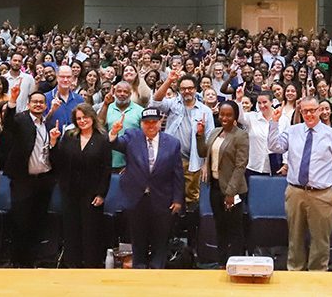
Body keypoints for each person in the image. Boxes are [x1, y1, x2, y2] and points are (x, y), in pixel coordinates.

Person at [265, 96, 332, 271]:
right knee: (295, 238)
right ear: (300, 112)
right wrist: (274, 122)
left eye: (313, 110)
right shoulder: (293, 131)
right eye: (305, 111)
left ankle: (317, 276)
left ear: (319, 111)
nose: (309, 114)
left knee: (320, 240)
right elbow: (274, 147)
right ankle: (295, 273)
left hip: (322, 194)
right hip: (295, 192)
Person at [109, 108, 185, 269]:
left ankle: (157, 271)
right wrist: (114, 132)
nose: (150, 125)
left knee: (161, 239)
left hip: (162, 198)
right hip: (136, 198)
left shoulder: (172, 143)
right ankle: (139, 270)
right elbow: (115, 144)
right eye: (146, 122)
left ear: (160, 123)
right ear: (141, 124)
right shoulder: (131, 136)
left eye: (154, 122)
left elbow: (177, 173)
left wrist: (178, 199)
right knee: (138, 239)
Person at [0, 91, 61, 268]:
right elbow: (8, 124)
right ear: (28, 104)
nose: (38, 104)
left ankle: (32, 260)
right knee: (20, 222)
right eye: (35, 102)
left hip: (43, 181)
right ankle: (19, 261)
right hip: (23, 181)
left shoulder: (46, 124)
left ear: (46, 105)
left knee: (38, 222)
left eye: (41, 102)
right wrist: (12, 101)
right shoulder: (21, 119)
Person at [58, 104, 112, 268]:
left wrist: (102, 194)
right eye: (79, 118)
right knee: (71, 230)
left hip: (92, 193)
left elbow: (106, 169)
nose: (82, 121)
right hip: (70, 192)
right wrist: (53, 143)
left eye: (85, 117)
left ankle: (91, 266)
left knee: (91, 232)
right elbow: (60, 162)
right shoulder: (69, 136)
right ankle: (72, 265)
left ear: (92, 118)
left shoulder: (102, 139)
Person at [196, 100, 249, 263]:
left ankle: (236, 262)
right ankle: (222, 262)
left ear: (235, 117)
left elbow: (241, 166)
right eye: (222, 114)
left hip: (234, 191)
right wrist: (200, 135)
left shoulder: (241, 135)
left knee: (234, 229)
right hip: (215, 188)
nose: (224, 118)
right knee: (220, 226)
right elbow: (203, 152)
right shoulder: (215, 132)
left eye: (228, 115)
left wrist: (230, 193)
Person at [151, 73, 215, 207]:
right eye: (183, 88)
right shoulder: (173, 104)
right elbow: (156, 102)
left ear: (196, 89)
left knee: (191, 197)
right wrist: (169, 80)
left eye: (190, 88)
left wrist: (206, 164)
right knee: (169, 193)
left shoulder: (205, 111)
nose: (187, 91)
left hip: (193, 160)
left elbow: (210, 139)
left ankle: (189, 226)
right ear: (179, 90)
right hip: (171, 158)